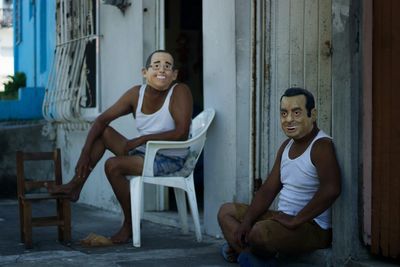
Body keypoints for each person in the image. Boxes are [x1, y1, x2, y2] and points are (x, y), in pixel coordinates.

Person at [46, 50, 193, 243]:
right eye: (156, 65)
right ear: (144, 72)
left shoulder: (179, 91)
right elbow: (101, 120)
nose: (162, 70)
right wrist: (84, 154)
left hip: (171, 158)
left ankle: (129, 225)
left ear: (174, 74)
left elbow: (181, 133)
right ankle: (76, 185)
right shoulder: (136, 94)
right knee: (104, 132)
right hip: (145, 153)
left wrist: (142, 140)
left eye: (168, 66)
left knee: (113, 165)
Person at [217, 87, 341, 264]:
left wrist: (296, 220)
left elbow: (331, 189)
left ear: (312, 114)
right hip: (283, 219)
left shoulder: (321, 146)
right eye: (284, 113)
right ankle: (252, 255)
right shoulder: (286, 146)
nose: (289, 119)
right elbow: (268, 190)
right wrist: (247, 221)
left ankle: (242, 251)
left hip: (313, 227)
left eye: (296, 112)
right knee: (226, 212)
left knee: (259, 232)